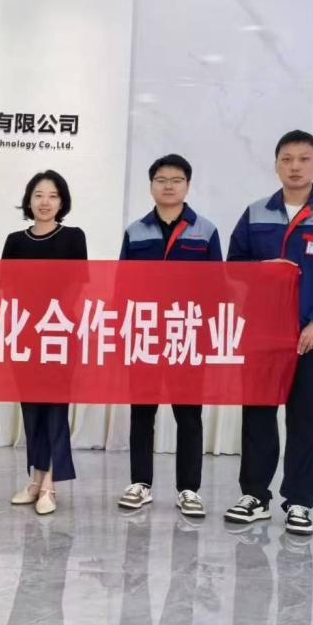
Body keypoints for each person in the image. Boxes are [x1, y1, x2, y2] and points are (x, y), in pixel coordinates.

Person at [223, 130, 313, 536]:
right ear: (276, 164)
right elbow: (234, 268)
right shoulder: (255, 213)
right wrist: (261, 272)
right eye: (287, 159)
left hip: (311, 337)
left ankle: (299, 502)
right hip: (263, 335)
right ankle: (255, 495)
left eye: (303, 159)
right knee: (258, 416)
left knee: (305, 419)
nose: (295, 167)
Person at [116, 154, 223, 518]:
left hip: (187, 334)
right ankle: (140, 484)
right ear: (151, 185)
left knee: (189, 415)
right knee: (141, 413)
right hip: (146, 333)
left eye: (176, 180)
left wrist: (206, 335)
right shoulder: (135, 231)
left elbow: (216, 288)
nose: (168, 186)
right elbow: (122, 286)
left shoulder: (205, 231)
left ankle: (189, 489)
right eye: (161, 179)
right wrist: (125, 332)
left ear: (187, 186)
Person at [1, 170, 87, 515]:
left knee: (54, 409)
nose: (45, 202)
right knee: (31, 409)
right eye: (38, 195)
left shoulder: (73, 237)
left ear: (62, 201)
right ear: (29, 200)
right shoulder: (14, 241)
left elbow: (76, 286)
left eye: (52, 195)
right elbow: (7, 290)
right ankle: (35, 479)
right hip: (24, 334)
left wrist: (49, 322)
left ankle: (50, 483)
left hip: (57, 333)